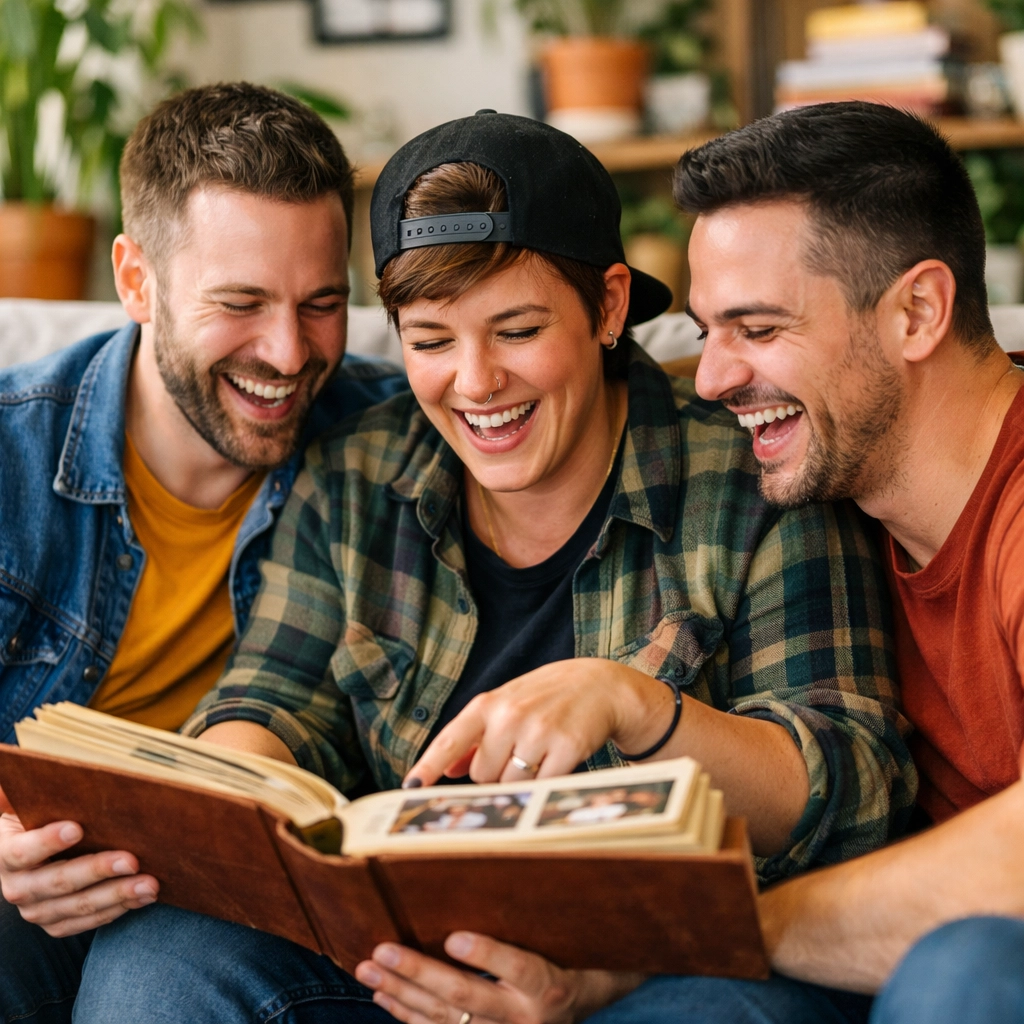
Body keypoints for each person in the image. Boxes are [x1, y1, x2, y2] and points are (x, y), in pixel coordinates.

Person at [60, 111, 913, 1023]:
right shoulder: (355, 473)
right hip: (403, 976)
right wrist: (238, 800)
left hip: (659, 975)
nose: (474, 382)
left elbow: (856, 782)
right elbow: (273, 698)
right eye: (430, 341)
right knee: (161, 957)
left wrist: (636, 707)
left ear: (609, 306)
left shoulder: (751, 475)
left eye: (515, 330)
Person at [592, 101, 1023, 1024]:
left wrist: (725, 927)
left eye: (757, 327)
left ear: (917, 311)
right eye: (708, 330)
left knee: (970, 970)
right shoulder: (832, 508)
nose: (709, 379)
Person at [0, 83, 406, 1024]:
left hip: (235, 914)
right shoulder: (14, 455)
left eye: (321, 304)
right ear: (136, 281)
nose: (288, 352)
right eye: (241, 303)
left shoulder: (387, 445)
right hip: (36, 892)